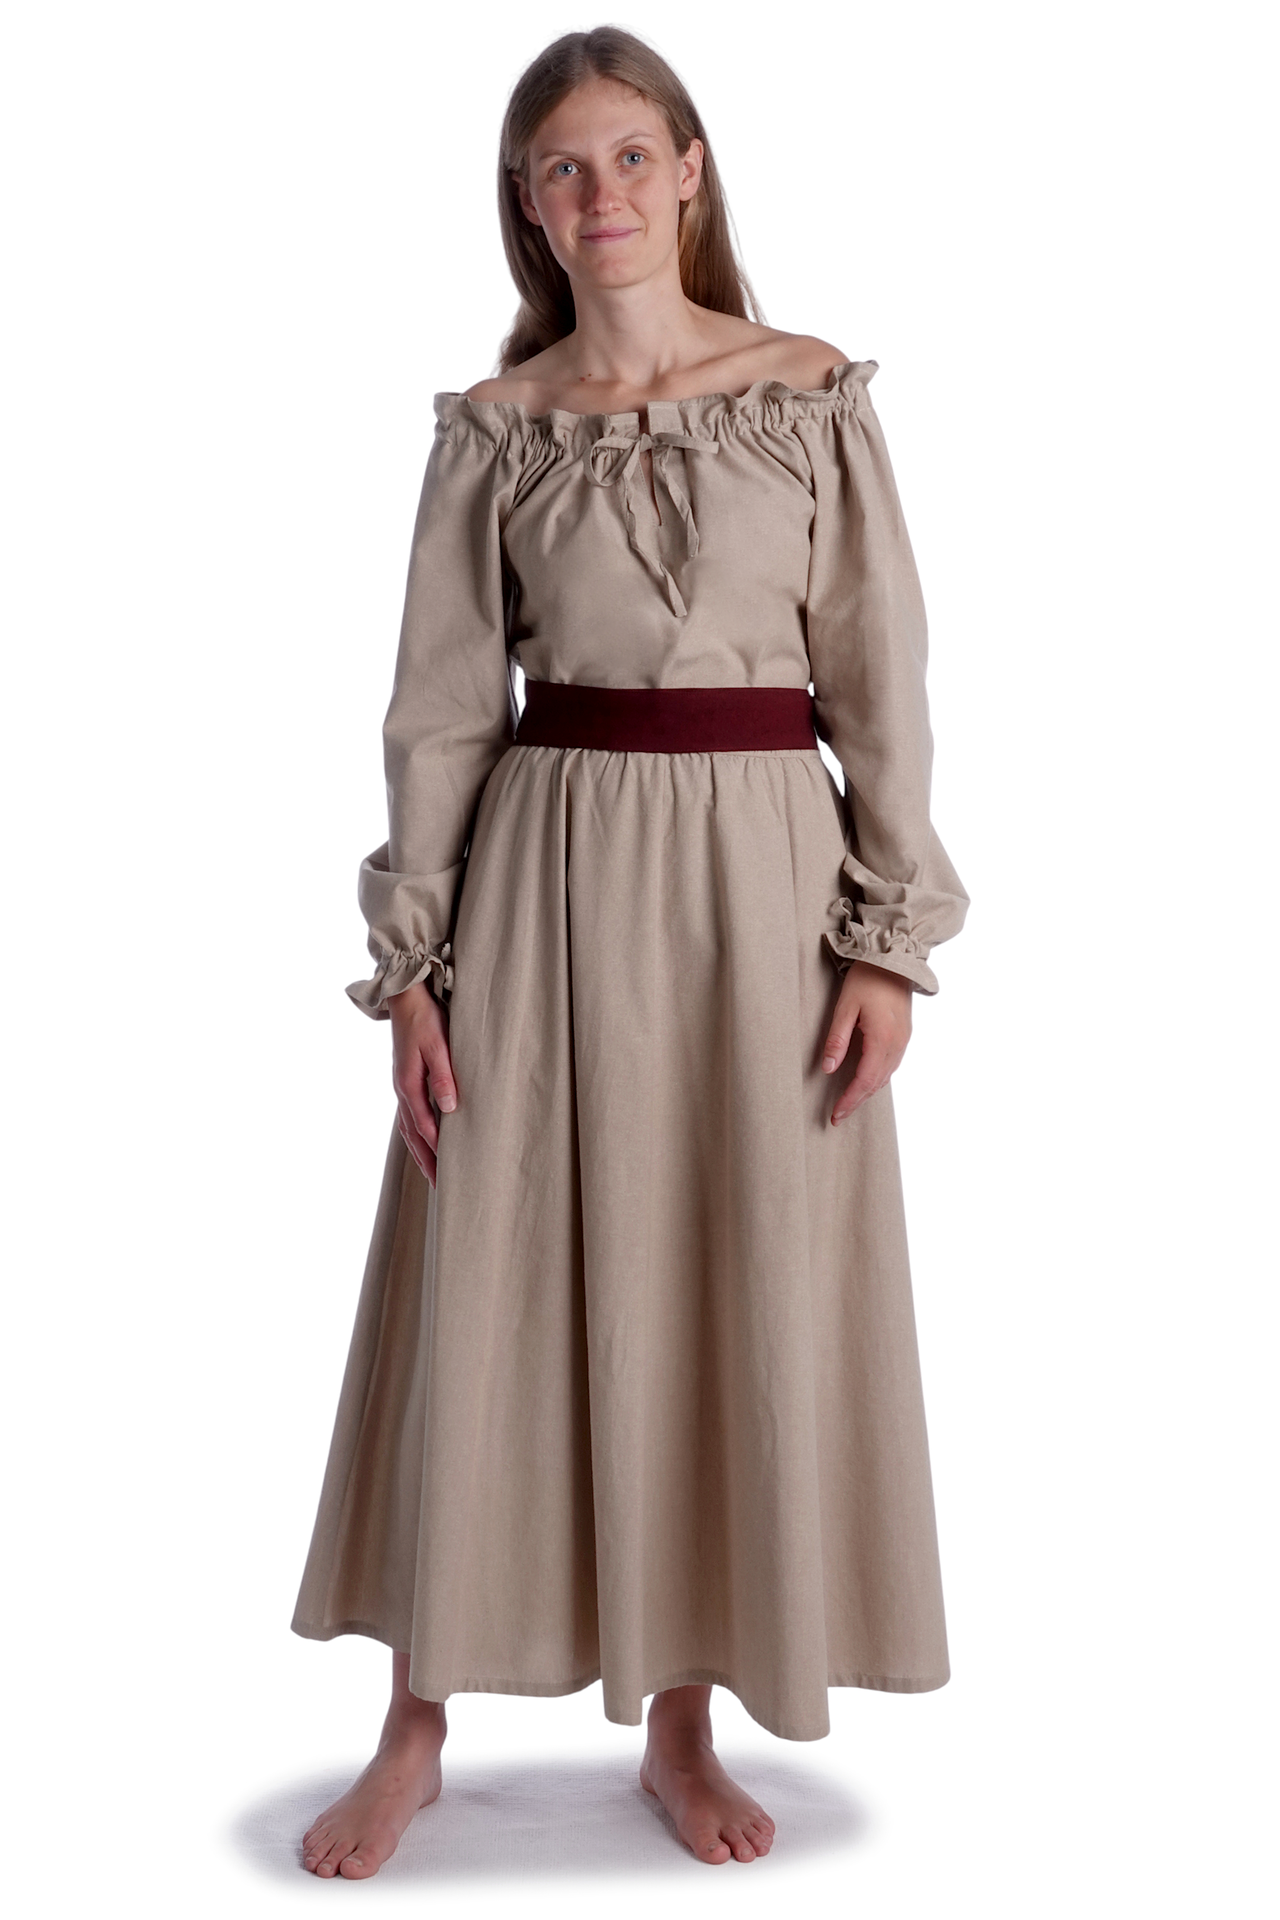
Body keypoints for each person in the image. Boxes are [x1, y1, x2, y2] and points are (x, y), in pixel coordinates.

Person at [291, 24, 969, 1880]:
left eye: (628, 157)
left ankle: (682, 1725)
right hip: (545, 884)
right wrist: (412, 968)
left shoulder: (807, 392)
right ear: (527, 205)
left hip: (767, 889)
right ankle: (416, 1727)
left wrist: (886, 940)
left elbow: (882, 681)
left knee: (727, 1271)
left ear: (690, 171)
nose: (598, 194)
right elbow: (442, 712)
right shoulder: (496, 429)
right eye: (559, 169)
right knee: (484, 1271)